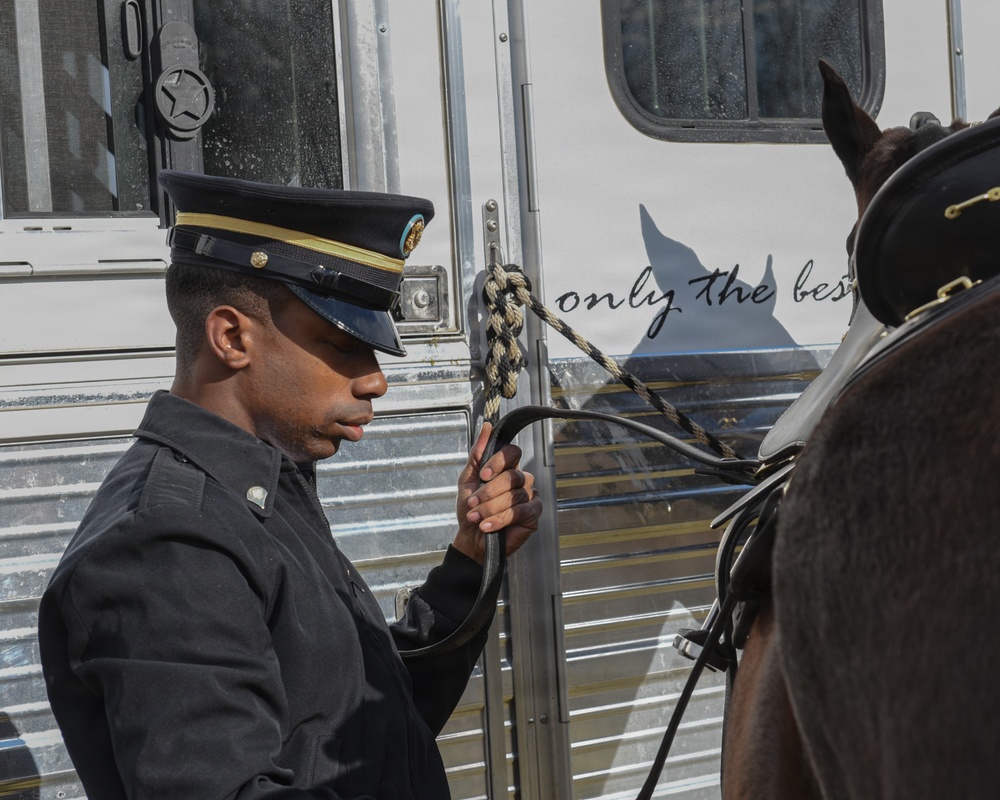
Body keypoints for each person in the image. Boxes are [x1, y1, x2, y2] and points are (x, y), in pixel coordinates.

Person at [38, 170, 542, 799]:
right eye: (342, 344)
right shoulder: (171, 544)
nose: (375, 381)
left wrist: (470, 560)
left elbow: (369, 730)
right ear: (231, 337)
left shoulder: (261, 487)